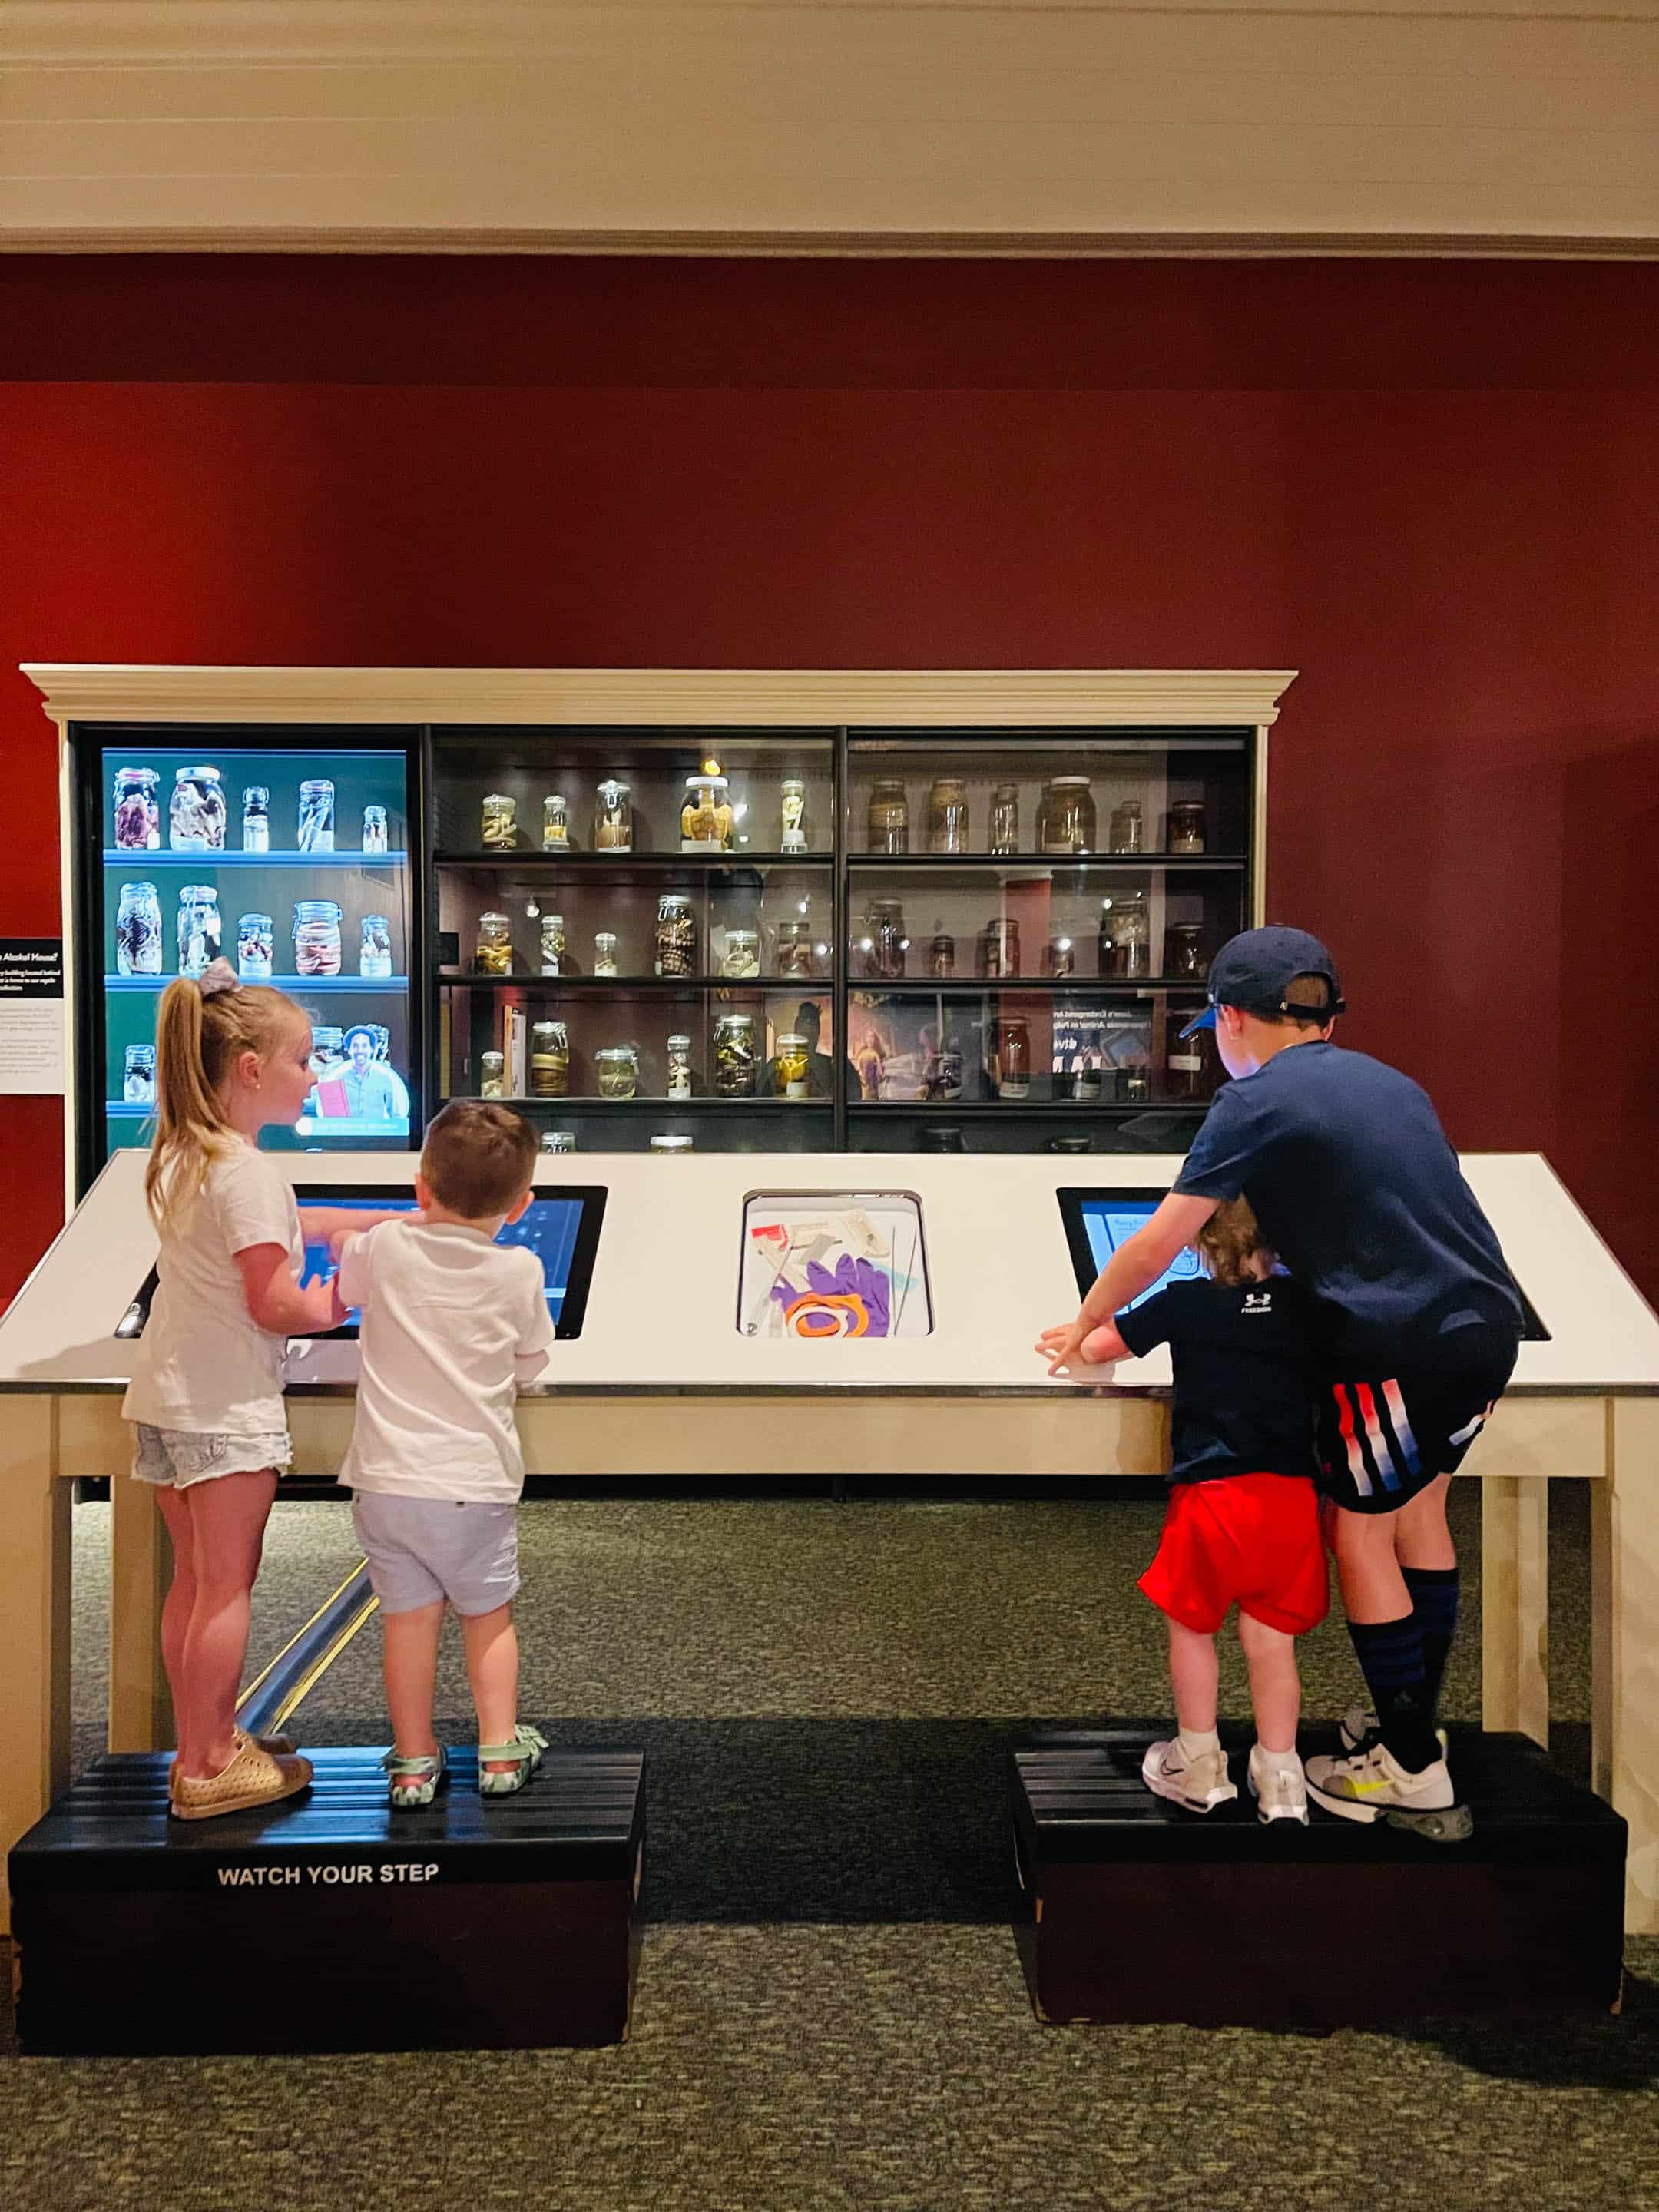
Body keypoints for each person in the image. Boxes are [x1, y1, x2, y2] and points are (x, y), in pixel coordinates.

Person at [1040, 927, 1522, 1835]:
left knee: (1361, 1534)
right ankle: (1411, 1730)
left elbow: (1160, 1240)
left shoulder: (1252, 1099)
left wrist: (1084, 1322)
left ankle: (1410, 1768)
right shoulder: (1396, 1085)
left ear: (1230, 1019)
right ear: (1327, 1016)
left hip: (1393, 1343)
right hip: (1487, 1326)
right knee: (1421, 1515)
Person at [121, 958, 402, 1819]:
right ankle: (211, 1768)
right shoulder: (247, 1172)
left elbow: (276, 1230)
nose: (315, 1076)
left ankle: (201, 1743)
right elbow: (274, 1301)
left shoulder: (189, 1154)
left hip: (168, 1400)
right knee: (228, 1588)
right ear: (250, 1070)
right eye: (303, 1060)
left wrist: (376, 1219)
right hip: (226, 1411)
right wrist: (350, 1286)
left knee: (194, 1583)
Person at [1068, 1198, 1326, 1825]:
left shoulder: (1183, 1302)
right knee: (1271, 1640)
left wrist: (1075, 1337)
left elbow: (1100, 1346)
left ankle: (1199, 1760)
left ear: (1197, 1244)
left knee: (1192, 1625)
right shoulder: (1307, 1305)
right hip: (1290, 1498)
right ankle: (1281, 1774)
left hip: (1211, 1497)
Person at [333, 1100, 557, 1808]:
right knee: (487, 1618)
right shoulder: (520, 1269)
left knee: (407, 1622)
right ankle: (499, 1752)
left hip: (386, 1484)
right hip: (472, 1487)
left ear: (420, 1187)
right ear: (521, 1205)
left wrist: (348, 1239)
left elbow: (346, 1277)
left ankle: (413, 1762)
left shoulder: (386, 1246)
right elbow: (532, 1360)